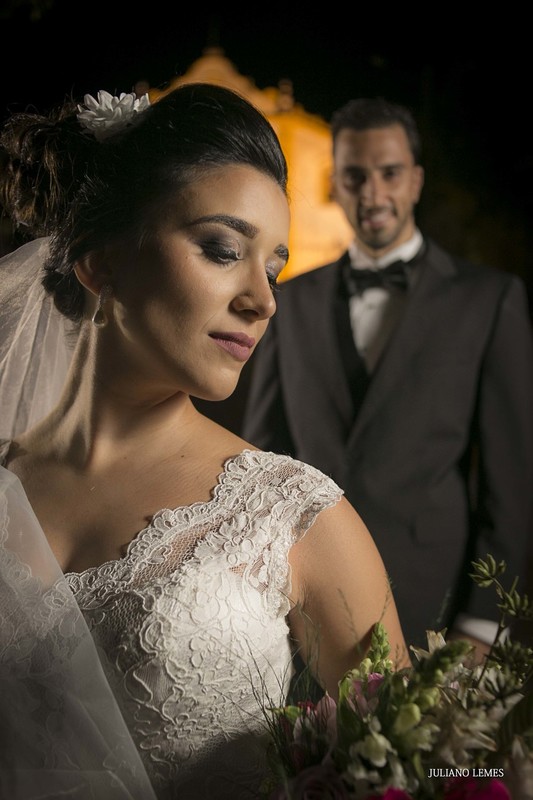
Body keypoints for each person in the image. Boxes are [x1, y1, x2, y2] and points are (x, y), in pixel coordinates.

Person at [0, 84, 409, 800]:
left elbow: (433, 766)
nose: (263, 299)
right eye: (223, 250)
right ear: (99, 260)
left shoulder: (290, 513)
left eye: (273, 267)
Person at [242, 96, 533, 654]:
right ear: (336, 185)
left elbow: (511, 486)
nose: (372, 194)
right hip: (303, 610)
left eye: (390, 174)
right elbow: (263, 458)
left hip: (437, 608)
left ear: (416, 181)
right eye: (355, 176)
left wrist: (482, 622)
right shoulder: (289, 301)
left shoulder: (489, 300)